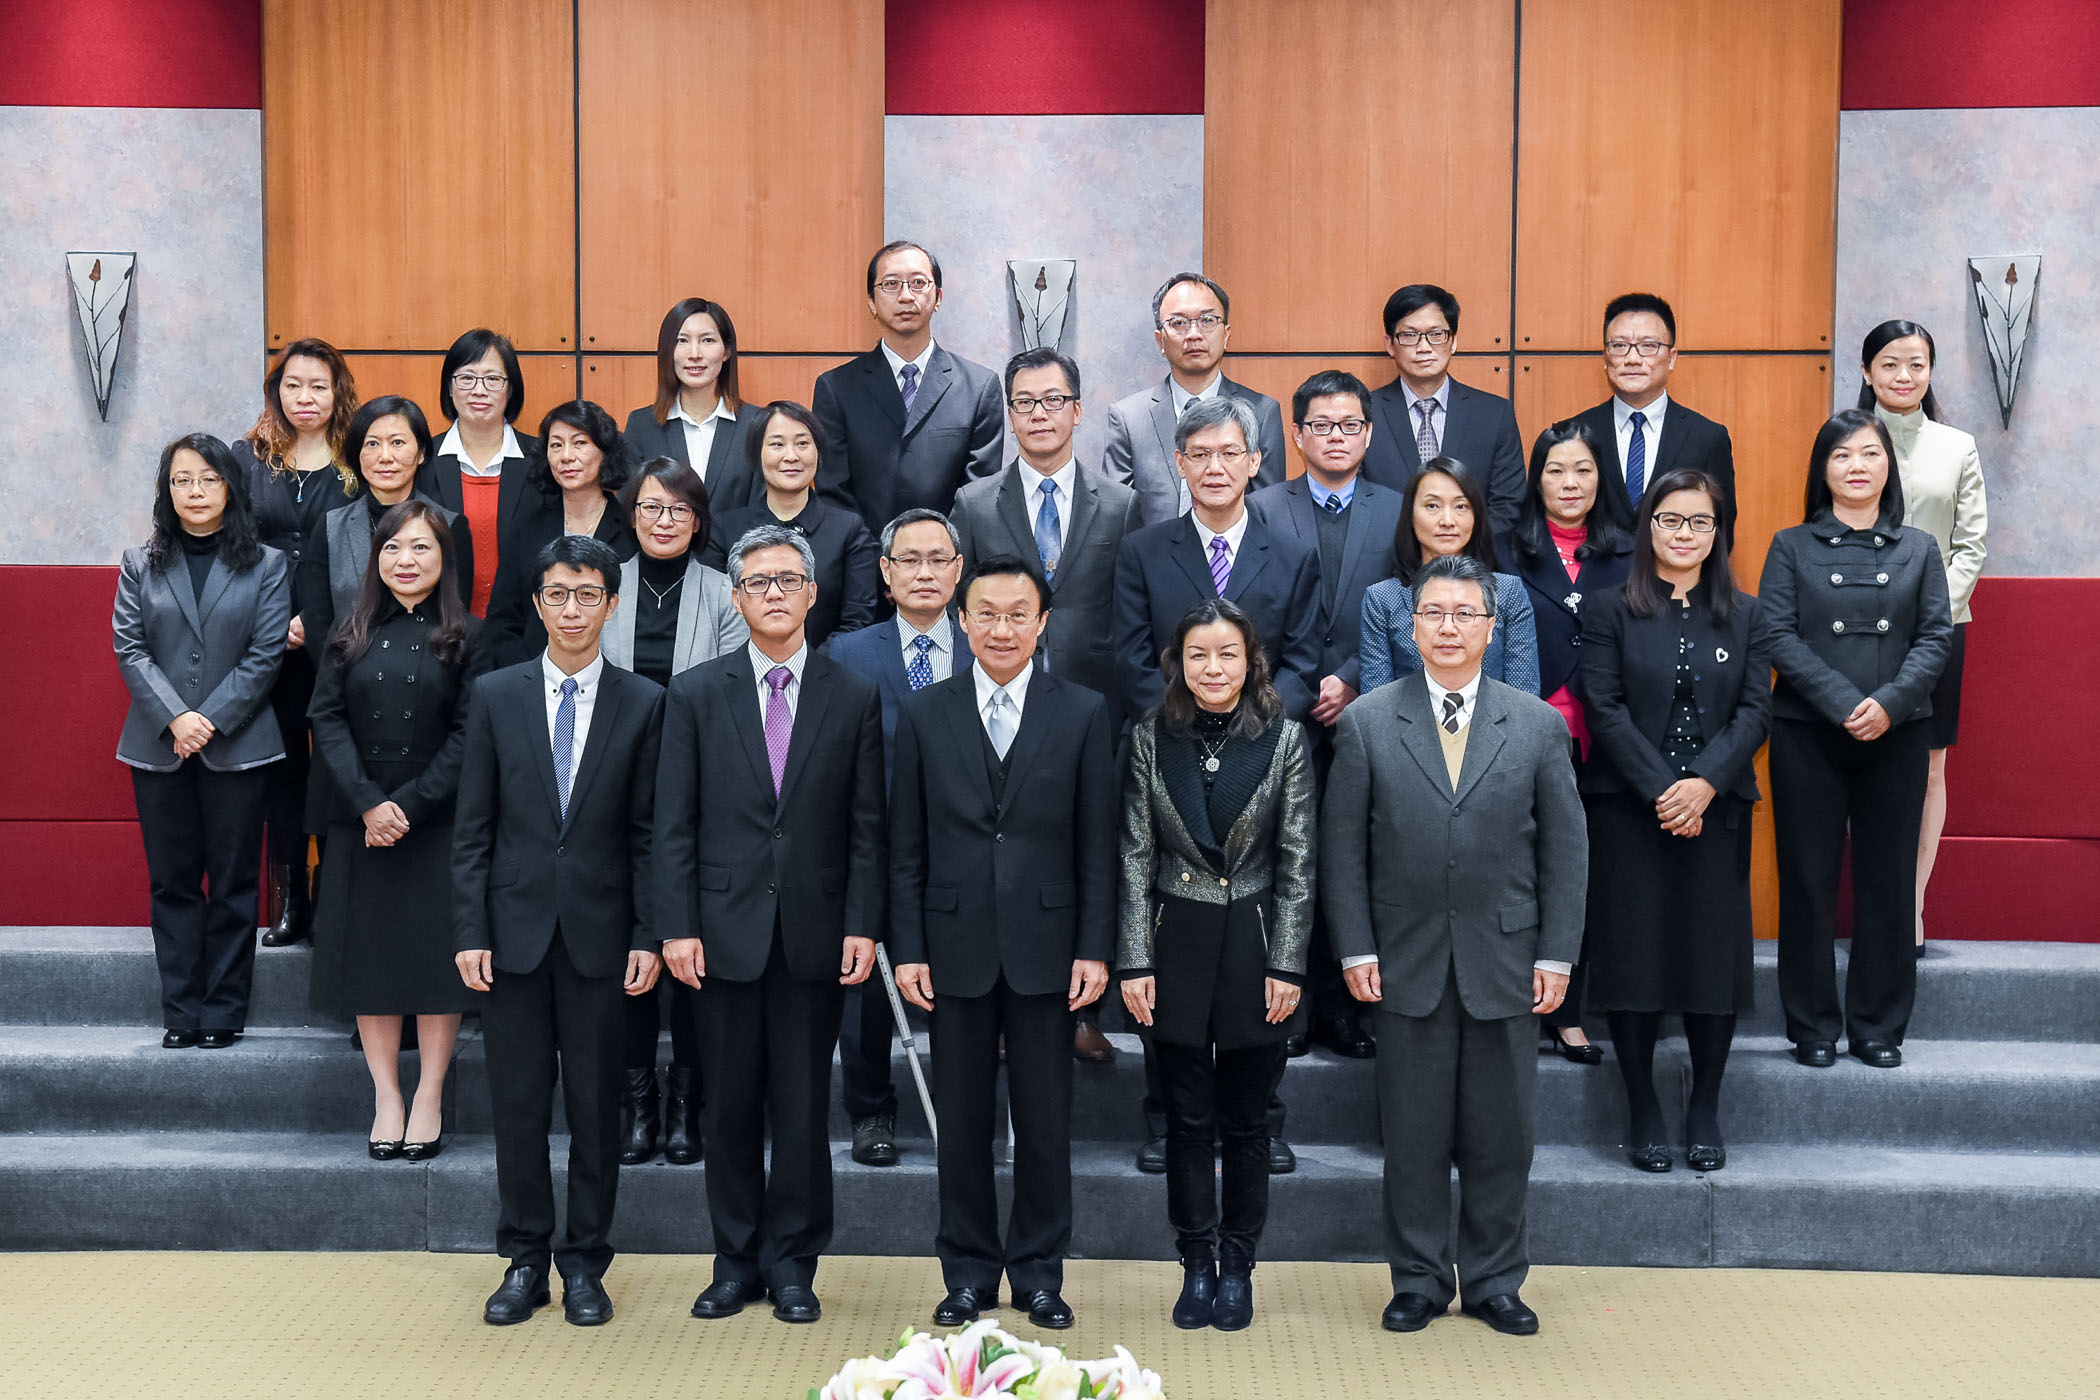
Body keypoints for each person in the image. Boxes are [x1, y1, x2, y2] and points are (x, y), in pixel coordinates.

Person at [1322, 552, 1587, 1338]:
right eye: (1433, 613)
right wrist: (1356, 948)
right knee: (1412, 1136)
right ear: (1411, 627)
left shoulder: (1535, 723)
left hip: (1507, 960)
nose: (1448, 627)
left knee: (1503, 1137)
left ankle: (1497, 1280)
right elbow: (1343, 851)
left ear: (1491, 627)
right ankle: (1419, 1280)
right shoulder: (1369, 721)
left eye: (1465, 614)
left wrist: (1557, 953)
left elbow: (1566, 851)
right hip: (1403, 961)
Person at [655, 524, 887, 1326]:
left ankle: (793, 1262)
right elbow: (673, 823)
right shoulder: (695, 693)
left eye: (789, 580)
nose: (774, 594)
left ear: (813, 593)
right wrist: (676, 926)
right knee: (726, 1105)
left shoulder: (852, 694)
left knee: (801, 1106)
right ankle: (734, 1260)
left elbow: (867, 826)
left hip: (815, 934)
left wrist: (863, 923)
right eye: (758, 582)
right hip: (718, 933)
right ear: (736, 597)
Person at [889, 556, 1117, 1333]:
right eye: (986, 613)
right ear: (961, 621)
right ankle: (967, 1276)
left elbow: (1098, 844)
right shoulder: (926, 712)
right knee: (960, 1125)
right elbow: (906, 843)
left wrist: (1094, 947)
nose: (1002, 628)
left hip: (1049, 947)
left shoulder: (1082, 711)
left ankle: (1040, 1275)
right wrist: (909, 946)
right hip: (951, 944)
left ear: (1043, 623)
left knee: (1046, 1124)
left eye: (1019, 614)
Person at [452, 535, 665, 1329]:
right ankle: (523, 1260)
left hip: (603, 938)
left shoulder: (645, 702)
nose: (572, 610)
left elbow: (649, 834)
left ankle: (584, 1264)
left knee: (596, 1108)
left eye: (587, 595)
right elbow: (473, 828)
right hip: (511, 935)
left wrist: (648, 933)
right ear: (537, 603)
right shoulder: (496, 694)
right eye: (557, 594)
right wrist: (469, 928)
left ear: (612, 604)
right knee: (516, 1106)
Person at [1113, 392, 1320, 1170]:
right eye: (1199, 454)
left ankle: (1261, 1118)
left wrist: (1255, 731)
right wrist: (1177, 724)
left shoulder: (1292, 552)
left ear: (1257, 461)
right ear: (1178, 464)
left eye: (1230, 453)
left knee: (1256, 945)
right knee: (1174, 951)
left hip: (1263, 761)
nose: (1215, 467)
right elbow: (1129, 656)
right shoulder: (1144, 550)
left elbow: (1303, 657)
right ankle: (1166, 1118)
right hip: (1165, 755)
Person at [1118, 599, 1315, 1333]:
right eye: (1198, 654)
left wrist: (1287, 965)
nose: (1213, 668)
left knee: (1248, 1122)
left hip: (1256, 944)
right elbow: (1135, 855)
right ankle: (1195, 1261)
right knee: (1186, 1120)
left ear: (1250, 661)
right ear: (1178, 663)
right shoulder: (1149, 735)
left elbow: (1298, 860)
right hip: (1174, 940)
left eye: (1227, 654)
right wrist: (1134, 960)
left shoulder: (1285, 737)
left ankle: (1238, 1264)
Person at [951, 347, 1143, 1065]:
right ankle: (1006, 1009)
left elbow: (1131, 610)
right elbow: (961, 612)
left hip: (1094, 710)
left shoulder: (1120, 504)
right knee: (1012, 855)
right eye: (1025, 402)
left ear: (1077, 410)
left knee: (1086, 850)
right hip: (999, 707)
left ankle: (1082, 1011)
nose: (1040, 414)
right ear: (1010, 414)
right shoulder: (974, 503)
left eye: (1053, 400)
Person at [1580, 469, 1770, 1172]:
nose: (1685, 533)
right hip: (1631, 810)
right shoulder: (1607, 610)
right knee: (1635, 957)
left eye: (1700, 522)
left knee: (1711, 960)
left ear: (1718, 533)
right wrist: (1667, 791)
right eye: (1670, 519)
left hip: (1717, 811)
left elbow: (1755, 711)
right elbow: (1603, 707)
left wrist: (1704, 786)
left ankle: (1705, 1107)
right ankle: (1643, 1106)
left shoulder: (1747, 615)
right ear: (1647, 527)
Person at [1761, 410, 1952, 1070]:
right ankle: (1812, 1025)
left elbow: (1935, 637)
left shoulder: (1919, 548)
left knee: (1888, 883)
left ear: (1888, 466)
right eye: (1841, 455)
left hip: (1898, 734)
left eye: (1869, 453)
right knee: (1808, 881)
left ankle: (1878, 1025)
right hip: (1808, 733)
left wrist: (1890, 704)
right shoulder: (1791, 545)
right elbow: (1777, 635)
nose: (1856, 466)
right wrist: (1844, 702)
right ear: (1823, 470)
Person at [307, 501, 490, 1159]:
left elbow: (471, 733)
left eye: (420, 548)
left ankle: (430, 1093)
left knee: (436, 966)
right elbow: (326, 719)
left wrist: (408, 805)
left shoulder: (470, 635)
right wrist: (368, 804)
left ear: (445, 559)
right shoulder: (349, 630)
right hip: (362, 822)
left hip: (437, 822)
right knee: (372, 965)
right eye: (392, 548)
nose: (405, 561)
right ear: (375, 558)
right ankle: (387, 1095)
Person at [113, 434, 292, 1049]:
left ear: (230, 487)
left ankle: (222, 1011)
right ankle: (181, 1010)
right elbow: (130, 648)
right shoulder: (140, 563)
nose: (195, 491)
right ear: (166, 491)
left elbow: (266, 654)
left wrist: (208, 720)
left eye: (208, 479)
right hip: (157, 746)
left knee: (236, 883)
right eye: (181, 480)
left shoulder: (267, 564)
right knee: (173, 883)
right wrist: (177, 719)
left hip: (240, 744)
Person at [1247, 370, 1405, 1059]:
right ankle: (1292, 1006)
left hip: (1370, 711)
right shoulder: (1260, 506)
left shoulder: (1398, 508)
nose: (1334, 437)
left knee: (1356, 856)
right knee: (1288, 858)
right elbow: (1252, 609)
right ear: (1297, 434)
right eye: (1320, 425)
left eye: (1348, 425)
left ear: (1367, 435)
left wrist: (1353, 677)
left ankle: (1345, 1008)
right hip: (1280, 711)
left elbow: (1410, 604)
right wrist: (1304, 683)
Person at [600, 456, 748, 1167]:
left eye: (679, 509)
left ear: (699, 519)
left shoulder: (726, 592)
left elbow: (733, 696)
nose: (665, 521)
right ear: (631, 515)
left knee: (692, 953)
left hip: (702, 790)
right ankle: (638, 1100)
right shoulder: (603, 586)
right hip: (614, 786)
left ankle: (688, 1099)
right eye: (651, 508)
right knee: (628, 947)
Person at [824, 506, 966, 1167]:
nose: (924, 572)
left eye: (939, 559)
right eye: (909, 560)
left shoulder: (985, 644)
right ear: (884, 572)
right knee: (866, 991)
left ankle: (962, 1108)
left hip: (963, 844)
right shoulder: (849, 653)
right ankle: (871, 1111)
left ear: (959, 570)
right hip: (874, 843)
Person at [1857, 319, 1988, 954]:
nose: (1904, 376)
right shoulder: (1847, 441)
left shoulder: (1957, 446)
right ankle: (1872, 902)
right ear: (1867, 372)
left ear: (1930, 372)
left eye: (1916, 364)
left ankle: (1910, 906)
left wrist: (1932, 618)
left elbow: (1971, 545)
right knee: (1866, 760)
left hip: (1939, 633)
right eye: (1890, 363)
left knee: (1930, 766)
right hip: (1856, 629)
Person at [1509, 420, 1634, 1063]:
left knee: (1580, 876)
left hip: (1605, 740)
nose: (1570, 483)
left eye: (1583, 469)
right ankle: (1512, 1005)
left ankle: (1568, 1012)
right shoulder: (1506, 549)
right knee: (1518, 874)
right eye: (1555, 470)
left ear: (1601, 477)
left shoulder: (1631, 552)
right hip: (1525, 736)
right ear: (1537, 480)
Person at [232, 339, 357, 948]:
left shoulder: (358, 457)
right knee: (282, 772)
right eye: (293, 385)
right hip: (269, 644)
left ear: (338, 394)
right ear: (276, 391)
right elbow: (231, 548)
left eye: (318, 386)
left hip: (341, 641)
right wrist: (272, 621)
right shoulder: (248, 457)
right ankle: (292, 903)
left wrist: (320, 618)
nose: (305, 397)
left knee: (336, 768)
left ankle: (332, 896)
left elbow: (371, 548)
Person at [813, 240, 1004, 532]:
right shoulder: (835, 388)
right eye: (891, 284)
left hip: (949, 555)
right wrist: (870, 554)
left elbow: (979, 494)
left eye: (918, 283)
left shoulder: (979, 387)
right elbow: (833, 492)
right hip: (864, 555)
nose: (905, 296)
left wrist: (940, 552)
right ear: (871, 302)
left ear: (938, 297)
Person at [297, 397, 476, 677]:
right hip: (345, 681)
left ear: (421, 453)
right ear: (357, 454)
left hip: (428, 684)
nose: (385, 456)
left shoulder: (449, 526)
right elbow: (318, 622)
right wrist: (342, 682)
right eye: (372, 444)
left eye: (397, 442)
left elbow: (454, 618)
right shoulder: (331, 527)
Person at [1101, 272, 1286, 525]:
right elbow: (1115, 518)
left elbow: (1268, 513)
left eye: (1207, 320)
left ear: (1226, 335)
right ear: (1160, 340)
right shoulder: (1128, 419)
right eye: (1179, 323)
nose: (1194, 334)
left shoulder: (1262, 412)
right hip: (1153, 551)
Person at [1361, 285, 1526, 549]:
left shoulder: (1494, 414)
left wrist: (1457, 556)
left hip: (1472, 565)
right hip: (1387, 563)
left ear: (1454, 341)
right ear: (1390, 344)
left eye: (1436, 334)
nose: (1424, 347)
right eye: (1409, 335)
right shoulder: (1364, 414)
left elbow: (1508, 506)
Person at [704, 400, 880, 647]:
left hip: (828, 667)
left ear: (818, 452)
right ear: (757, 454)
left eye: (802, 444)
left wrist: (809, 665)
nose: (791, 456)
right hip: (742, 667)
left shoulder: (849, 530)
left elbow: (857, 621)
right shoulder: (725, 529)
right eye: (777, 444)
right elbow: (713, 617)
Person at [1359, 459, 1538, 695]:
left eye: (1461, 506)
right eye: (1432, 506)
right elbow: (1375, 704)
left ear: (1476, 515)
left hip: (1496, 718)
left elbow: (1524, 699)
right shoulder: (1382, 599)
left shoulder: (1507, 591)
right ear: (1410, 514)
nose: (1447, 521)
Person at [1569, 293, 1737, 542]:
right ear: (1605, 357)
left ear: (1671, 358)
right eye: (1619, 346)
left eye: (1648, 346)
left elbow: (1721, 532)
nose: (1632, 359)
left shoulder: (1707, 438)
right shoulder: (1575, 433)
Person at [483, 401, 638, 663]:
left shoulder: (631, 530)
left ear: (605, 452)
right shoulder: (526, 529)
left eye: (579, 443)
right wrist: (529, 675)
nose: (566, 456)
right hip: (534, 673)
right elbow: (502, 622)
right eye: (556, 445)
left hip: (614, 673)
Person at [420, 329, 540, 617]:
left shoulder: (541, 460)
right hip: (440, 624)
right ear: (449, 388)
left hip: (524, 625)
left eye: (493, 379)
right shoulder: (423, 459)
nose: (479, 390)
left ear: (511, 389)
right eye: (466, 378)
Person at [622, 297, 768, 515]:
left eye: (707, 340)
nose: (695, 354)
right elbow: (630, 509)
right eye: (682, 341)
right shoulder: (641, 425)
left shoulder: (756, 424)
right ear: (668, 351)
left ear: (727, 351)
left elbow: (763, 509)